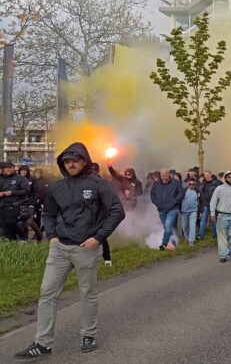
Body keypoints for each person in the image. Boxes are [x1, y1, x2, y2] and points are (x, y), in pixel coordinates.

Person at [14, 143, 125, 359]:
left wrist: (98, 238)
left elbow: (116, 212)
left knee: (87, 293)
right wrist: (53, 236)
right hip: (60, 248)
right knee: (47, 293)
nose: (71, 164)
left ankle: (88, 335)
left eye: (74, 160)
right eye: (66, 161)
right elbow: (48, 213)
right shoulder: (57, 187)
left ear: (84, 161)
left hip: (87, 248)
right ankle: (43, 342)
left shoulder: (98, 184)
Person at [210, 171, 231, 263]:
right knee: (222, 236)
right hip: (221, 215)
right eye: (228, 177)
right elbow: (213, 201)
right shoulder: (219, 188)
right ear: (225, 178)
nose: (230, 179)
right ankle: (223, 255)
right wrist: (212, 214)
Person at [149, 169, 185, 250]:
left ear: (169, 175)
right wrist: (155, 202)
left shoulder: (176, 183)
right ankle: (173, 243)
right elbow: (152, 193)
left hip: (173, 208)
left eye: (165, 176)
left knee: (168, 225)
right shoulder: (156, 184)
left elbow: (181, 192)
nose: (163, 178)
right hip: (161, 209)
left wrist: (175, 201)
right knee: (166, 228)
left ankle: (164, 244)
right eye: (162, 176)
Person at [0, 161, 30, 240]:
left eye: (10, 167)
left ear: (14, 168)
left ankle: (22, 237)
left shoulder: (20, 178)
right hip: (3, 206)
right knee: (4, 226)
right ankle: (12, 242)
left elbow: (26, 190)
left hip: (16, 205)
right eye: (6, 168)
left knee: (11, 222)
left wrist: (12, 192)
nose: (8, 169)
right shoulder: (1, 178)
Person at [198, 171, 221, 241]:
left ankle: (215, 234)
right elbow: (200, 193)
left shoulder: (216, 183)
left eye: (207, 175)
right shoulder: (203, 183)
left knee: (213, 220)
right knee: (203, 219)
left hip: (213, 204)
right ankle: (200, 235)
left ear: (210, 175)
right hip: (205, 204)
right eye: (205, 175)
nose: (206, 176)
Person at [179, 178, 200, 247]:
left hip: (193, 211)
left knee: (192, 226)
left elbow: (202, 201)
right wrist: (178, 209)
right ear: (187, 184)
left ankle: (191, 241)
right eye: (190, 184)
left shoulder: (198, 191)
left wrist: (201, 211)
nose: (191, 185)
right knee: (185, 226)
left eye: (193, 184)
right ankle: (186, 238)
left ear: (195, 184)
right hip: (184, 211)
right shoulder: (183, 191)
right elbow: (179, 200)